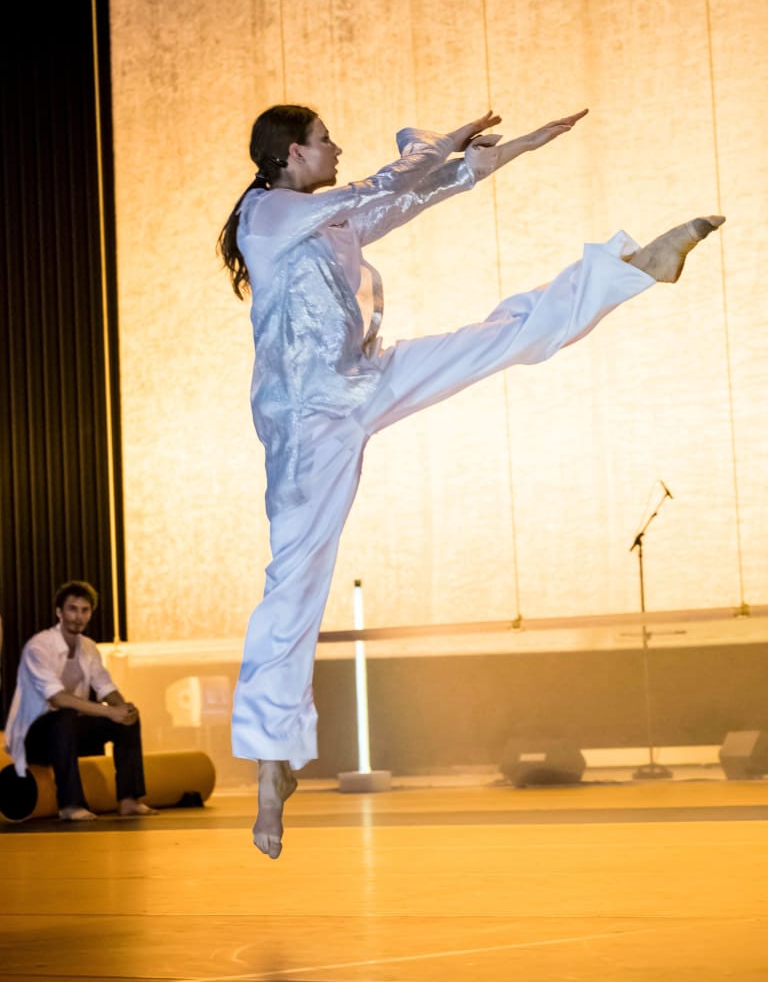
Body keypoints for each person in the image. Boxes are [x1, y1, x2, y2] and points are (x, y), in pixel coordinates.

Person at [218, 104, 723, 858]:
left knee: (496, 341)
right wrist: (437, 147)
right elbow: (371, 187)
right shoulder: (270, 213)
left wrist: (502, 154)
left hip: (362, 381)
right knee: (293, 582)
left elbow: (403, 198)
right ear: (292, 153)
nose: (336, 146)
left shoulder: (327, 224)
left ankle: (631, 268)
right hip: (305, 421)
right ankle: (269, 763)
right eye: (325, 139)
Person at [4, 580, 155, 820]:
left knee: (126, 717)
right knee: (64, 716)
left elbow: (105, 687)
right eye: (72, 609)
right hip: (35, 737)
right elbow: (57, 698)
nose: (78, 617)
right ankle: (70, 805)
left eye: (84, 611)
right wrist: (108, 712)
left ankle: (129, 799)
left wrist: (122, 709)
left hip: (70, 733)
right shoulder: (39, 646)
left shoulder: (88, 647)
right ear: (59, 612)